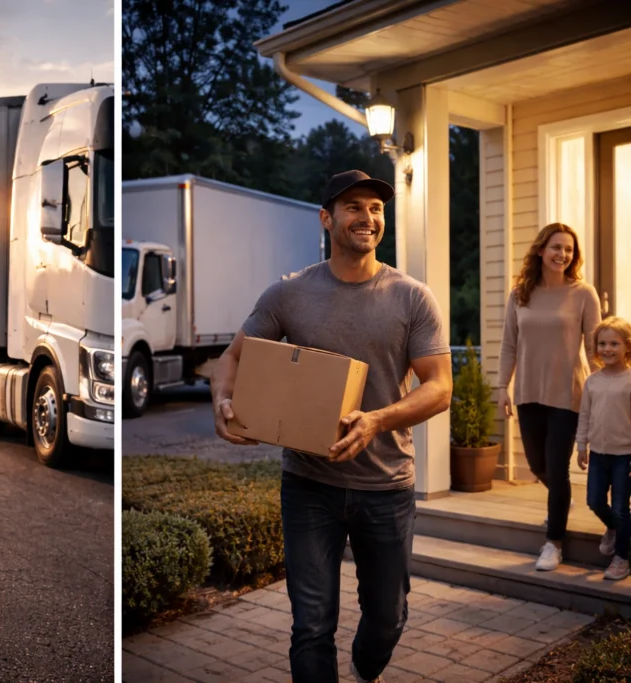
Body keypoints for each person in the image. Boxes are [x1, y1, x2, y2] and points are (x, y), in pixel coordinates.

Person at [211, 170, 453, 683]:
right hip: (308, 485)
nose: (367, 218)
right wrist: (223, 404)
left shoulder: (411, 297)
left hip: (385, 486)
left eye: (375, 209)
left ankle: (366, 670)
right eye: (353, 207)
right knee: (312, 624)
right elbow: (231, 358)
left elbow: (439, 387)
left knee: (388, 617)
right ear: (327, 218)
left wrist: (377, 420)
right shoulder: (289, 294)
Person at [497, 223, 601, 572]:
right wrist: (502, 387)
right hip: (528, 392)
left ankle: (553, 543)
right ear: (541, 250)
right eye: (556, 247)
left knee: (556, 468)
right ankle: (561, 500)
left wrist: (603, 388)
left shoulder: (583, 293)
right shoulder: (520, 294)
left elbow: (593, 346)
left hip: (567, 393)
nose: (562, 255)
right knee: (537, 465)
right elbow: (509, 344)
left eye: (568, 249)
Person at [576, 316, 631, 581]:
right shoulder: (592, 382)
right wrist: (581, 445)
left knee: (621, 507)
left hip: (625, 456)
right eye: (602, 343)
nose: (607, 349)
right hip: (598, 453)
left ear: (627, 347)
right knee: (594, 500)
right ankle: (613, 527)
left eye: (614, 343)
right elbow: (584, 415)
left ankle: (621, 557)